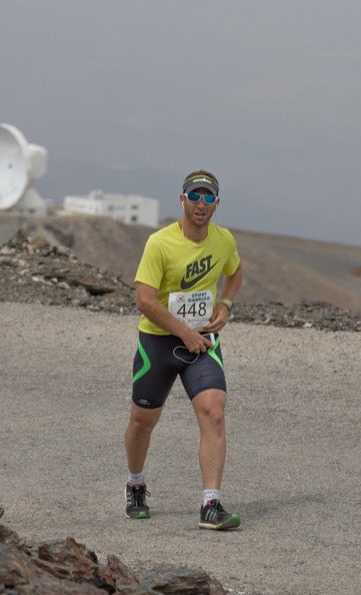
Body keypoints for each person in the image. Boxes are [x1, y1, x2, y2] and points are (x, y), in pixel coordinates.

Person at [123, 169, 245, 530]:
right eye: (195, 196)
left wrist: (225, 305)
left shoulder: (223, 240)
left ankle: (211, 504)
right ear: (182, 200)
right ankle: (135, 484)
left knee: (214, 412)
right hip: (158, 343)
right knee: (142, 422)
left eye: (208, 198)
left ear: (217, 204)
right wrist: (183, 333)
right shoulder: (159, 243)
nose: (201, 204)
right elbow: (144, 300)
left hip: (202, 342)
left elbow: (236, 272)